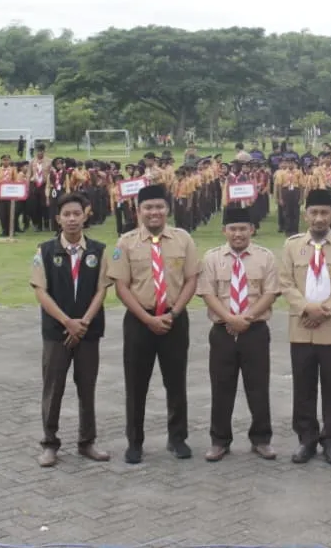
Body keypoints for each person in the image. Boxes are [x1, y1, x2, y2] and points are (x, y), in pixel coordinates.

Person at [108, 184, 200, 463]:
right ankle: (135, 442)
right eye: (148, 208)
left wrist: (173, 314)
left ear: (168, 210)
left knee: (176, 382)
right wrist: (147, 318)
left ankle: (177, 438)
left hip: (174, 319)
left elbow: (191, 280)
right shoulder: (126, 243)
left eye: (159, 207)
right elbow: (121, 286)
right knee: (136, 384)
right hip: (139, 321)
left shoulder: (183, 239)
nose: (154, 212)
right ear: (138, 211)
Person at [278, 188, 331, 465]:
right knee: (303, 386)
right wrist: (306, 308)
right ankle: (306, 440)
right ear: (305, 215)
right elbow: (285, 282)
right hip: (301, 325)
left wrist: (324, 310)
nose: (319, 218)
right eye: (314, 212)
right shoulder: (291, 246)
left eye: (325, 212)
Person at [31, 194, 111, 467]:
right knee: (53, 388)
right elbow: (41, 292)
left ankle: (87, 441)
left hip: (88, 333)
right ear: (58, 219)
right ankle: (49, 443)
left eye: (77, 213)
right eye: (66, 214)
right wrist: (67, 322)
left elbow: (101, 290)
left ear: (85, 215)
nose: (72, 219)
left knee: (86, 387)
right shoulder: (44, 250)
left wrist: (83, 323)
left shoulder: (98, 250)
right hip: (57, 333)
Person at [195, 205, 280, 462]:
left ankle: (261, 439)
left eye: (243, 228)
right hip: (222, 331)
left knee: (258, 387)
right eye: (233, 229)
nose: (238, 234)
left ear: (252, 229)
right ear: (224, 231)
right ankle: (219, 441)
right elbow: (207, 293)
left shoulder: (266, 257)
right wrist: (230, 318)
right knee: (222, 387)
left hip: (255, 331)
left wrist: (247, 318)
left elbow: (271, 292)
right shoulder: (211, 258)